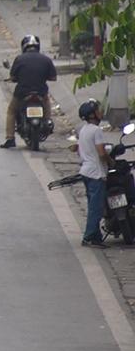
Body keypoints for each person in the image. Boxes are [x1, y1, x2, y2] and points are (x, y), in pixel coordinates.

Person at [0, 34, 56, 148]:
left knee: (11, 111)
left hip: (22, 92)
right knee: (47, 104)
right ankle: (48, 121)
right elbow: (53, 78)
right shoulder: (46, 59)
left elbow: (13, 76)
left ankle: (10, 138)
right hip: (41, 92)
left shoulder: (19, 59)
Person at [77, 99, 111, 248]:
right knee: (96, 208)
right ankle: (89, 236)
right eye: (98, 110)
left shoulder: (83, 130)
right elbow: (101, 152)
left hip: (86, 171)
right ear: (92, 115)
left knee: (93, 204)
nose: (100, 112)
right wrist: (110, 161)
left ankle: (96, 236)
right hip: (96, 173)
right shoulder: (97, 131)